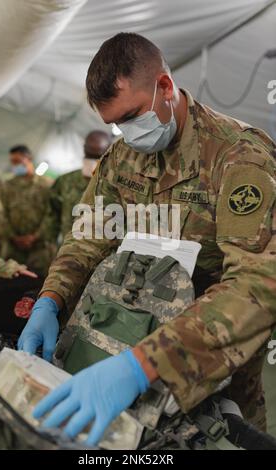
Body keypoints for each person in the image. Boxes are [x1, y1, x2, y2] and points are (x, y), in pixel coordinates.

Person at [18, 32, 276, 445]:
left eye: (133, 114)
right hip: (130, 333)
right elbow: (88, 239)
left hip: (214, 363)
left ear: (165, 86)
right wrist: (51, 300)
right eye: (116, 124)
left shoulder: (238, 156)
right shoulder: (121, 159)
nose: (127, 132)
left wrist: (146, 364)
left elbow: (258, 285)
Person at [1, 145, 57, 277]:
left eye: (18, 161)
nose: (15, 165)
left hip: (41, 248)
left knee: (40, 284)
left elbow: (52, 214)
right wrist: (14, 237)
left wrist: (35, 236)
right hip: (14, 248)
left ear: (29, 158)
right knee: (11, 285)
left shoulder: (46, 185)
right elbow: (2, 214)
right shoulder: (7, 186)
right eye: (12, 162)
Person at [47, 131, 111, 244]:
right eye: (90, 155)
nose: (93, 161)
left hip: (105, 253)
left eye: (98, 156)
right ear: (84, 149)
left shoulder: (115, 183)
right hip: (69, 249)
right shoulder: (65, 181)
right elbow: (52, 216)